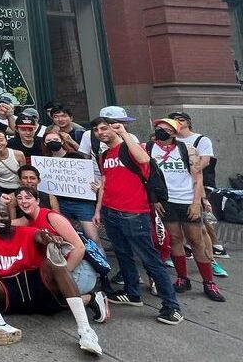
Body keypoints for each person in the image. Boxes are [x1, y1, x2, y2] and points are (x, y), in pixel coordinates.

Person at [0, 203, 103, 355]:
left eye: (3, 215)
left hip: (38, 287)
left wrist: (48, 238)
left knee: (55, 264)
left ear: (10, 217)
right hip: (11, 292)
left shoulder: (27, 231)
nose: (0, 218)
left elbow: (40, 236)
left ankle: (85, 331)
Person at [91, 117, 183, 324]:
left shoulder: (131, 148)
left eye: (104, 128)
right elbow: (104, 184)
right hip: (110, 211)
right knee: (123, 254)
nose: (100, 132)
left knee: (151, 259)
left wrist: (123, 133)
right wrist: (98, 210)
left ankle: (171, 305)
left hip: (134, 212)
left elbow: (144, 160)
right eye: (96, 130)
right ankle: (132, 293)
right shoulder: (104, 155)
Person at [147, 118, 225, 302]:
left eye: (165, 129)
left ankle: (208, 281)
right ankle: (182, 277)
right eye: (158, 128)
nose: (161, 131)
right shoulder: (149, 148)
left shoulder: (187, 149)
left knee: (196, 240)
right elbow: (147, 176)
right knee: (174, 239)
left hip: (186, 198)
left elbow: (197, 178)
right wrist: (154, 199)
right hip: (166, 201)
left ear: (174, 132)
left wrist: (196, 202)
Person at [168, 111, 229, 269]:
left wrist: (187, 170)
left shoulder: (200, 139)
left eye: (181, 119)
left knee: (201, 222)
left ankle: (213, 254)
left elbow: (206, 161)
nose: (178, 122)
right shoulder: (171, 141)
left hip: (199, 184)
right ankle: (189, 250)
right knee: (181, 226)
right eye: (174, 120)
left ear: (188, 122)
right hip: (177, 188)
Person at [40, 129, 101, 245]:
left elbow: (89, 177)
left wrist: (96, 186)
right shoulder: (45, 162)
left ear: (62, 141)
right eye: (49, 140)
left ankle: (101, 262)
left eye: (55, 139)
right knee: (69, 238)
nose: (53, 142)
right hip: (60, 203)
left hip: (82, 203)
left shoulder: (76, 157)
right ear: (44, 143)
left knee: (93, 238)